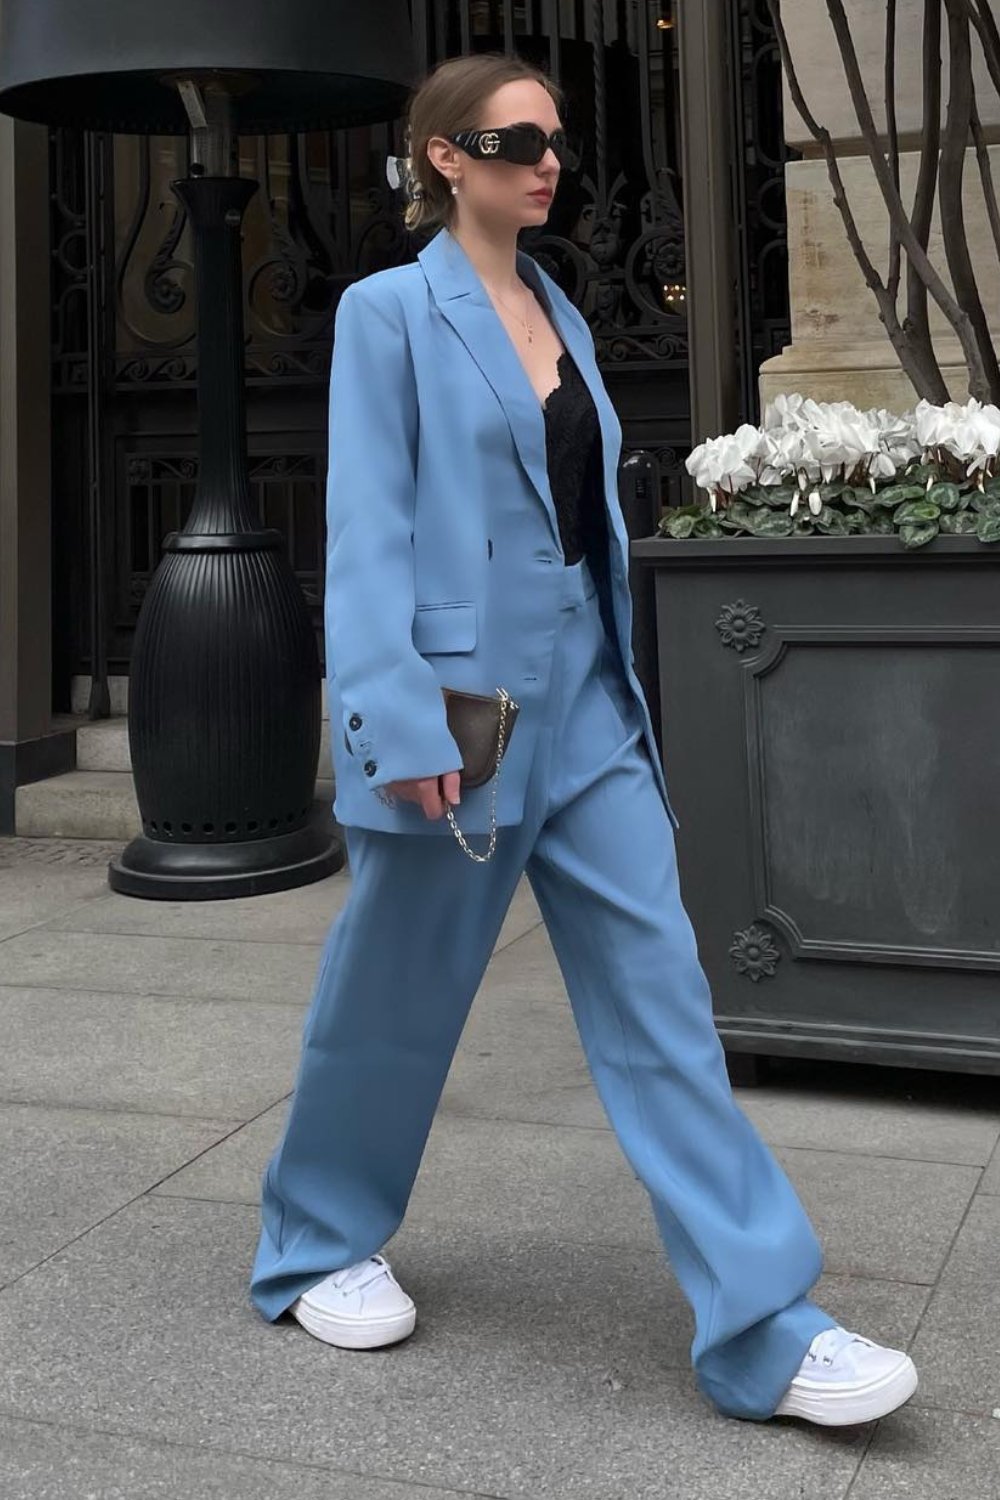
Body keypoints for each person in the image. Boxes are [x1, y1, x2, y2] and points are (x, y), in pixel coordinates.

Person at [249, 51, 918, 1428]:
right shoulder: (389, 313)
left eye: (555, 141)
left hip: (593, 700)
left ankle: (764, 1324)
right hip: (461, 711)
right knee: (393, 998)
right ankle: (314, 1242)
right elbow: (365, 530)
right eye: (516, 141)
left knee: (662, 1000)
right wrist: (391, 719)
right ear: (446, 158)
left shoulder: (560, 307)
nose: (547, 162)